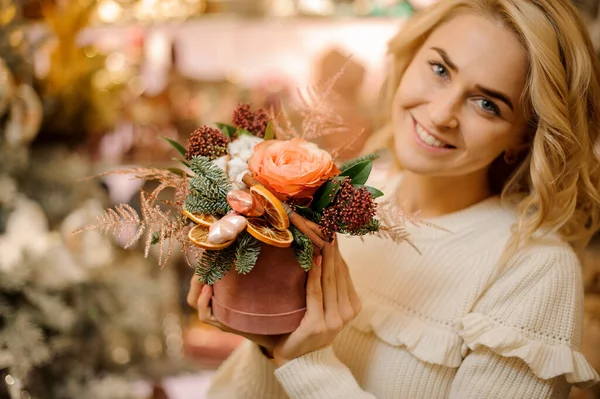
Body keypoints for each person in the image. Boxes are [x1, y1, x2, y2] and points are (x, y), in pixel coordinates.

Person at [187, 0, 600, 397]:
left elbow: (302, 369)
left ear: (522, 137)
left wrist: (308, 364)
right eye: (440, 69)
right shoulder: (340, 200)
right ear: (409, 59)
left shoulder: (535, 269)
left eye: (487, 104)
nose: (441, 114)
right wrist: (266, 340)